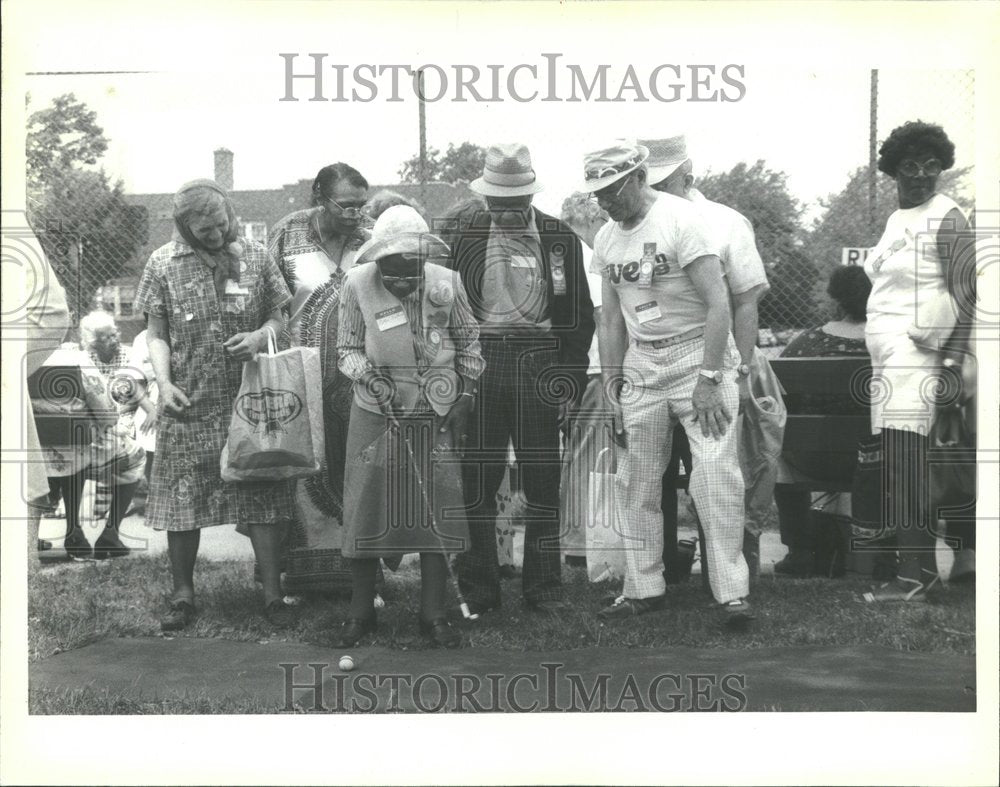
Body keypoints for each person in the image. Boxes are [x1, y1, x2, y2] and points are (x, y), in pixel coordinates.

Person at [582, 140, 752, 625]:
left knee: (715, 476)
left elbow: (720, 302)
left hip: (698, 350)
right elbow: (610, 320)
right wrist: (615, 389)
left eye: (613, 189)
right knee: (635, 476)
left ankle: (731, 593)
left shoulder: (682, 219)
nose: (606, 201)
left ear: (639, 177)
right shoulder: (608, 238)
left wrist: (709, 377)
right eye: (598, 194)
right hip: (642, 362)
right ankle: (643, 588)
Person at [134, 178, 297, 630]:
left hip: (249, 399)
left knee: (262, 491)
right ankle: (183, 596)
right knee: (183, 497)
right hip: (190, 400)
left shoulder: (257, 256)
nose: (216, 235)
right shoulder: (163, 263)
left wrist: (260, 336)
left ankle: (272, 595)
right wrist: (163, 385)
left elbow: (280, 315)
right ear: (185, 228)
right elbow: (156, 332)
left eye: (222, 225)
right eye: (204, 231)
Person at [449, 143, 594, 615]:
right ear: (486, 199)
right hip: (481, 357)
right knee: (480, 478)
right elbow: (448, 310)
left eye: (517, 204)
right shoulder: (465, 234)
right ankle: (479, 586)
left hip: (538, 362)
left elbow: (577, 318)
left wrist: (568, 380)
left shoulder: (558, 237)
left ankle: (544, 587)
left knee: (542, 480)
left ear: (530, 196)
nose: (508, 212)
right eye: (499, 204)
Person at [336, 206, 484, 647]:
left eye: (411, 271)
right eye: (392, 272)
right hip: (375, 411)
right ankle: (361, 614)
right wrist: (368, 376)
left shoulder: (447, 283)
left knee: (436, 510)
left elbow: (470, 343)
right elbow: (346, 348)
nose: (402, 282)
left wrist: (466, 397)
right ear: (376, 260)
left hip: (436, 412)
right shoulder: (355, 284)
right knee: (366, 509)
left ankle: (433, 613)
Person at [641, 135, 773, 582]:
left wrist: (738, 371)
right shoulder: (636, 226)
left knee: (718, 472)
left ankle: (729, 572)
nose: (655, 191)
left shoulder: (725, 222)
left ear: (688, 175)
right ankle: (663, 570)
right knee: (652, 471)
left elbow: (745, 301)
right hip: (656, 365)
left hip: (717, 364)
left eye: (665, 182)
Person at [860, 121, 975, 603]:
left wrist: (952, 362)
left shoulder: (947, 214)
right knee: (899, 464)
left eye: (932, 165)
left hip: (920, 353)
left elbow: (969, 292)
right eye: (910, 165)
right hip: (887, 357)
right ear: (893, 170)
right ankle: (915, 572)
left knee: (908, 465)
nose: (922, 174)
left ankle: (915, 579)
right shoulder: (895, 220)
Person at [268, 163, 371, 594]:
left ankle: (360, 578)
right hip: (301, 375)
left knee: (356, 470)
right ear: (319, 198)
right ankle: (299, 576)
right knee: (302, 471)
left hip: (356, 378)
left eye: (361, 205)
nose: (355, 214)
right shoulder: (288, 234)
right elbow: (266, 299)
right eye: (346, 205)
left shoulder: (368, 239)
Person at [772, 265, 872, 577]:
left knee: (780, 450)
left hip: (808, 459)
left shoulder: (806, 343)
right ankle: (880, 551)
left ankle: (800, 551)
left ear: (835, 301)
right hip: (869, 464)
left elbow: (781, 402)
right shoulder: (883, 345)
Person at [558, 192, 612, 564]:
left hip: (574, 370)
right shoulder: (588, 256)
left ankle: (580, 540)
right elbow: (601, 316)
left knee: (580, 454)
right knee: (591, 457)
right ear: (590, 221)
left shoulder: (563, 257)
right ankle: (579, 544)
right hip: (595, 368)